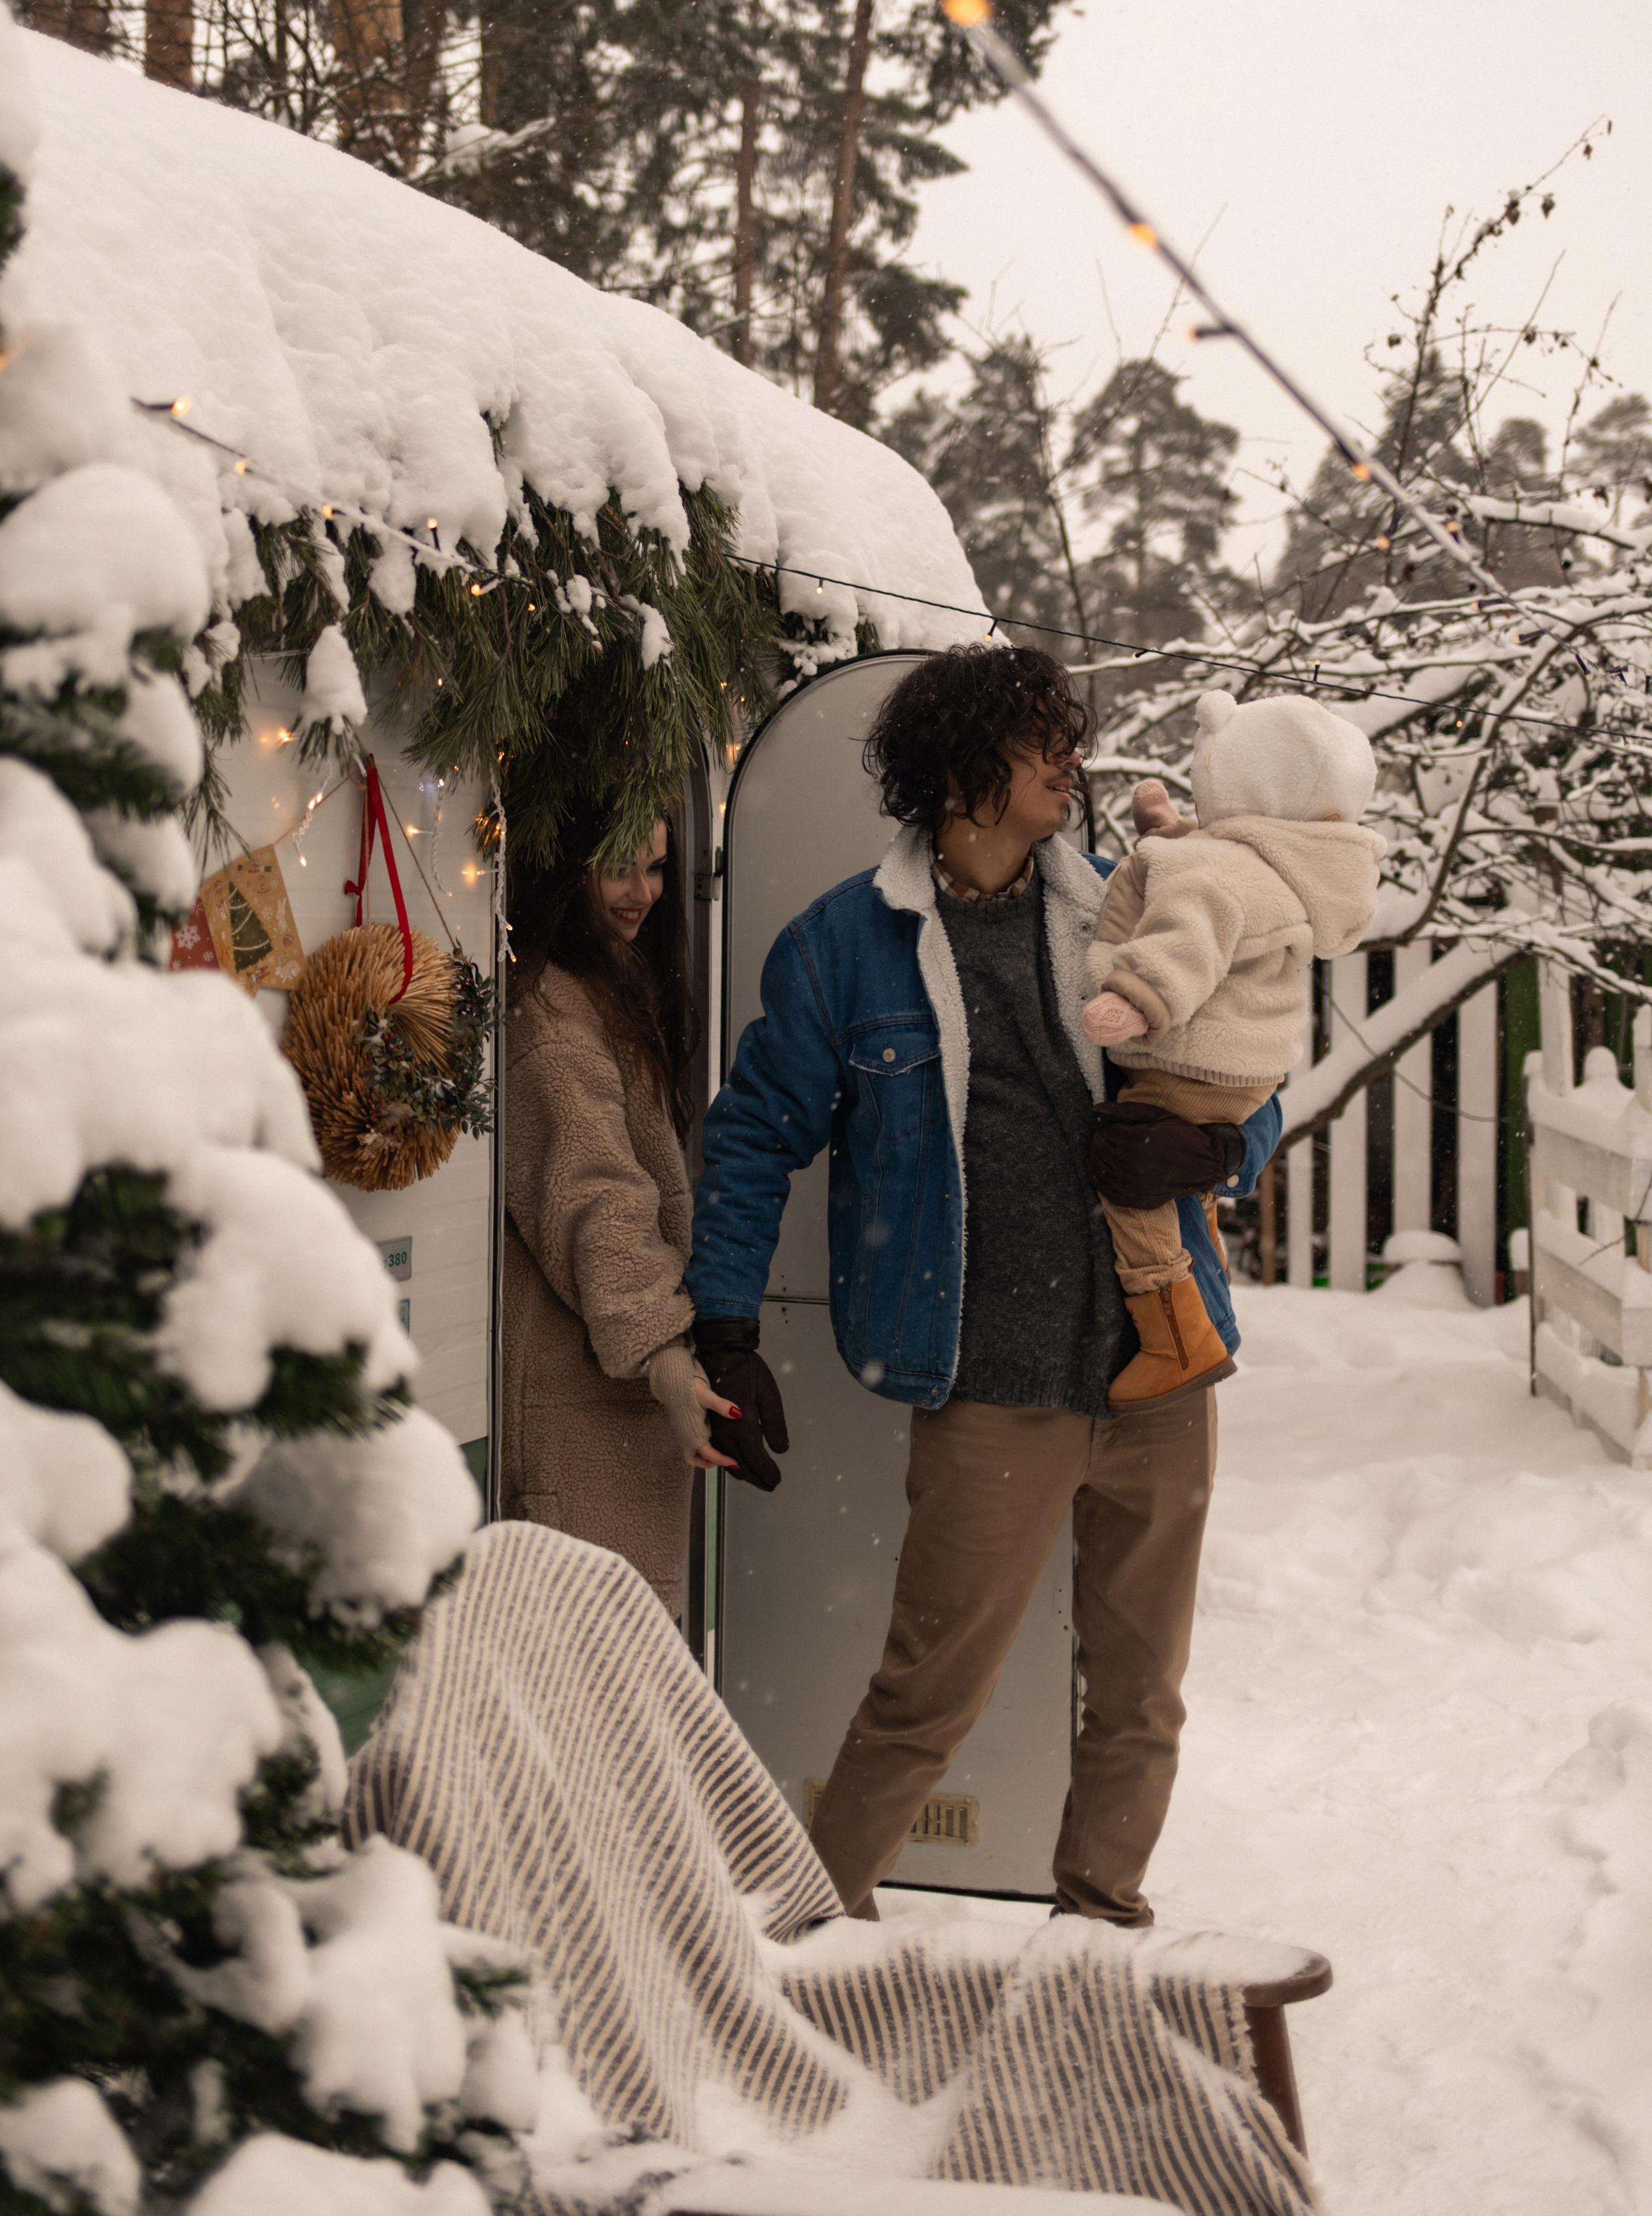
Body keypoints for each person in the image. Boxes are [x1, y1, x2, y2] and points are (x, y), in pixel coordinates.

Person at [684, 645, 1281, 1923]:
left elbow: (1246, 1076)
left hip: (1161, 1362)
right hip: (989, 1386)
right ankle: (801, 1939)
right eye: (1041, 740)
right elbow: (749, 1137)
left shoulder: (1125, 906)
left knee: (1141, 1691)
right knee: (925, 1694)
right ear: (960, 766)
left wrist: (1219, 1149)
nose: (1073, 762)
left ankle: (1099, 1920)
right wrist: (724, 1327)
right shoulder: (846, 945)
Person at [1081, 689, 1381, 1407]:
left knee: (1128, 1179)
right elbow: (1215, 868)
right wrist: (1167, 831)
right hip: (1248, 1067)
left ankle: (1176, 1337)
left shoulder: (1213, 876)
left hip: (1188, 1059)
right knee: (1165, 1177)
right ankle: (1191, 1307)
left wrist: (1138, 999)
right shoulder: (1287, 862)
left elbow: (1192, 932)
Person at [497, 809, 742, 1620]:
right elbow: (593, 1195)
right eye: (620, 868)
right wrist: (663, 1351)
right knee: (595, 1675)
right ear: (568, 868)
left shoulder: (605, 983)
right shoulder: (553, 1014)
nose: (642, 893)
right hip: (575, 1395)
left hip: (601, 1385)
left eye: (658, 868)